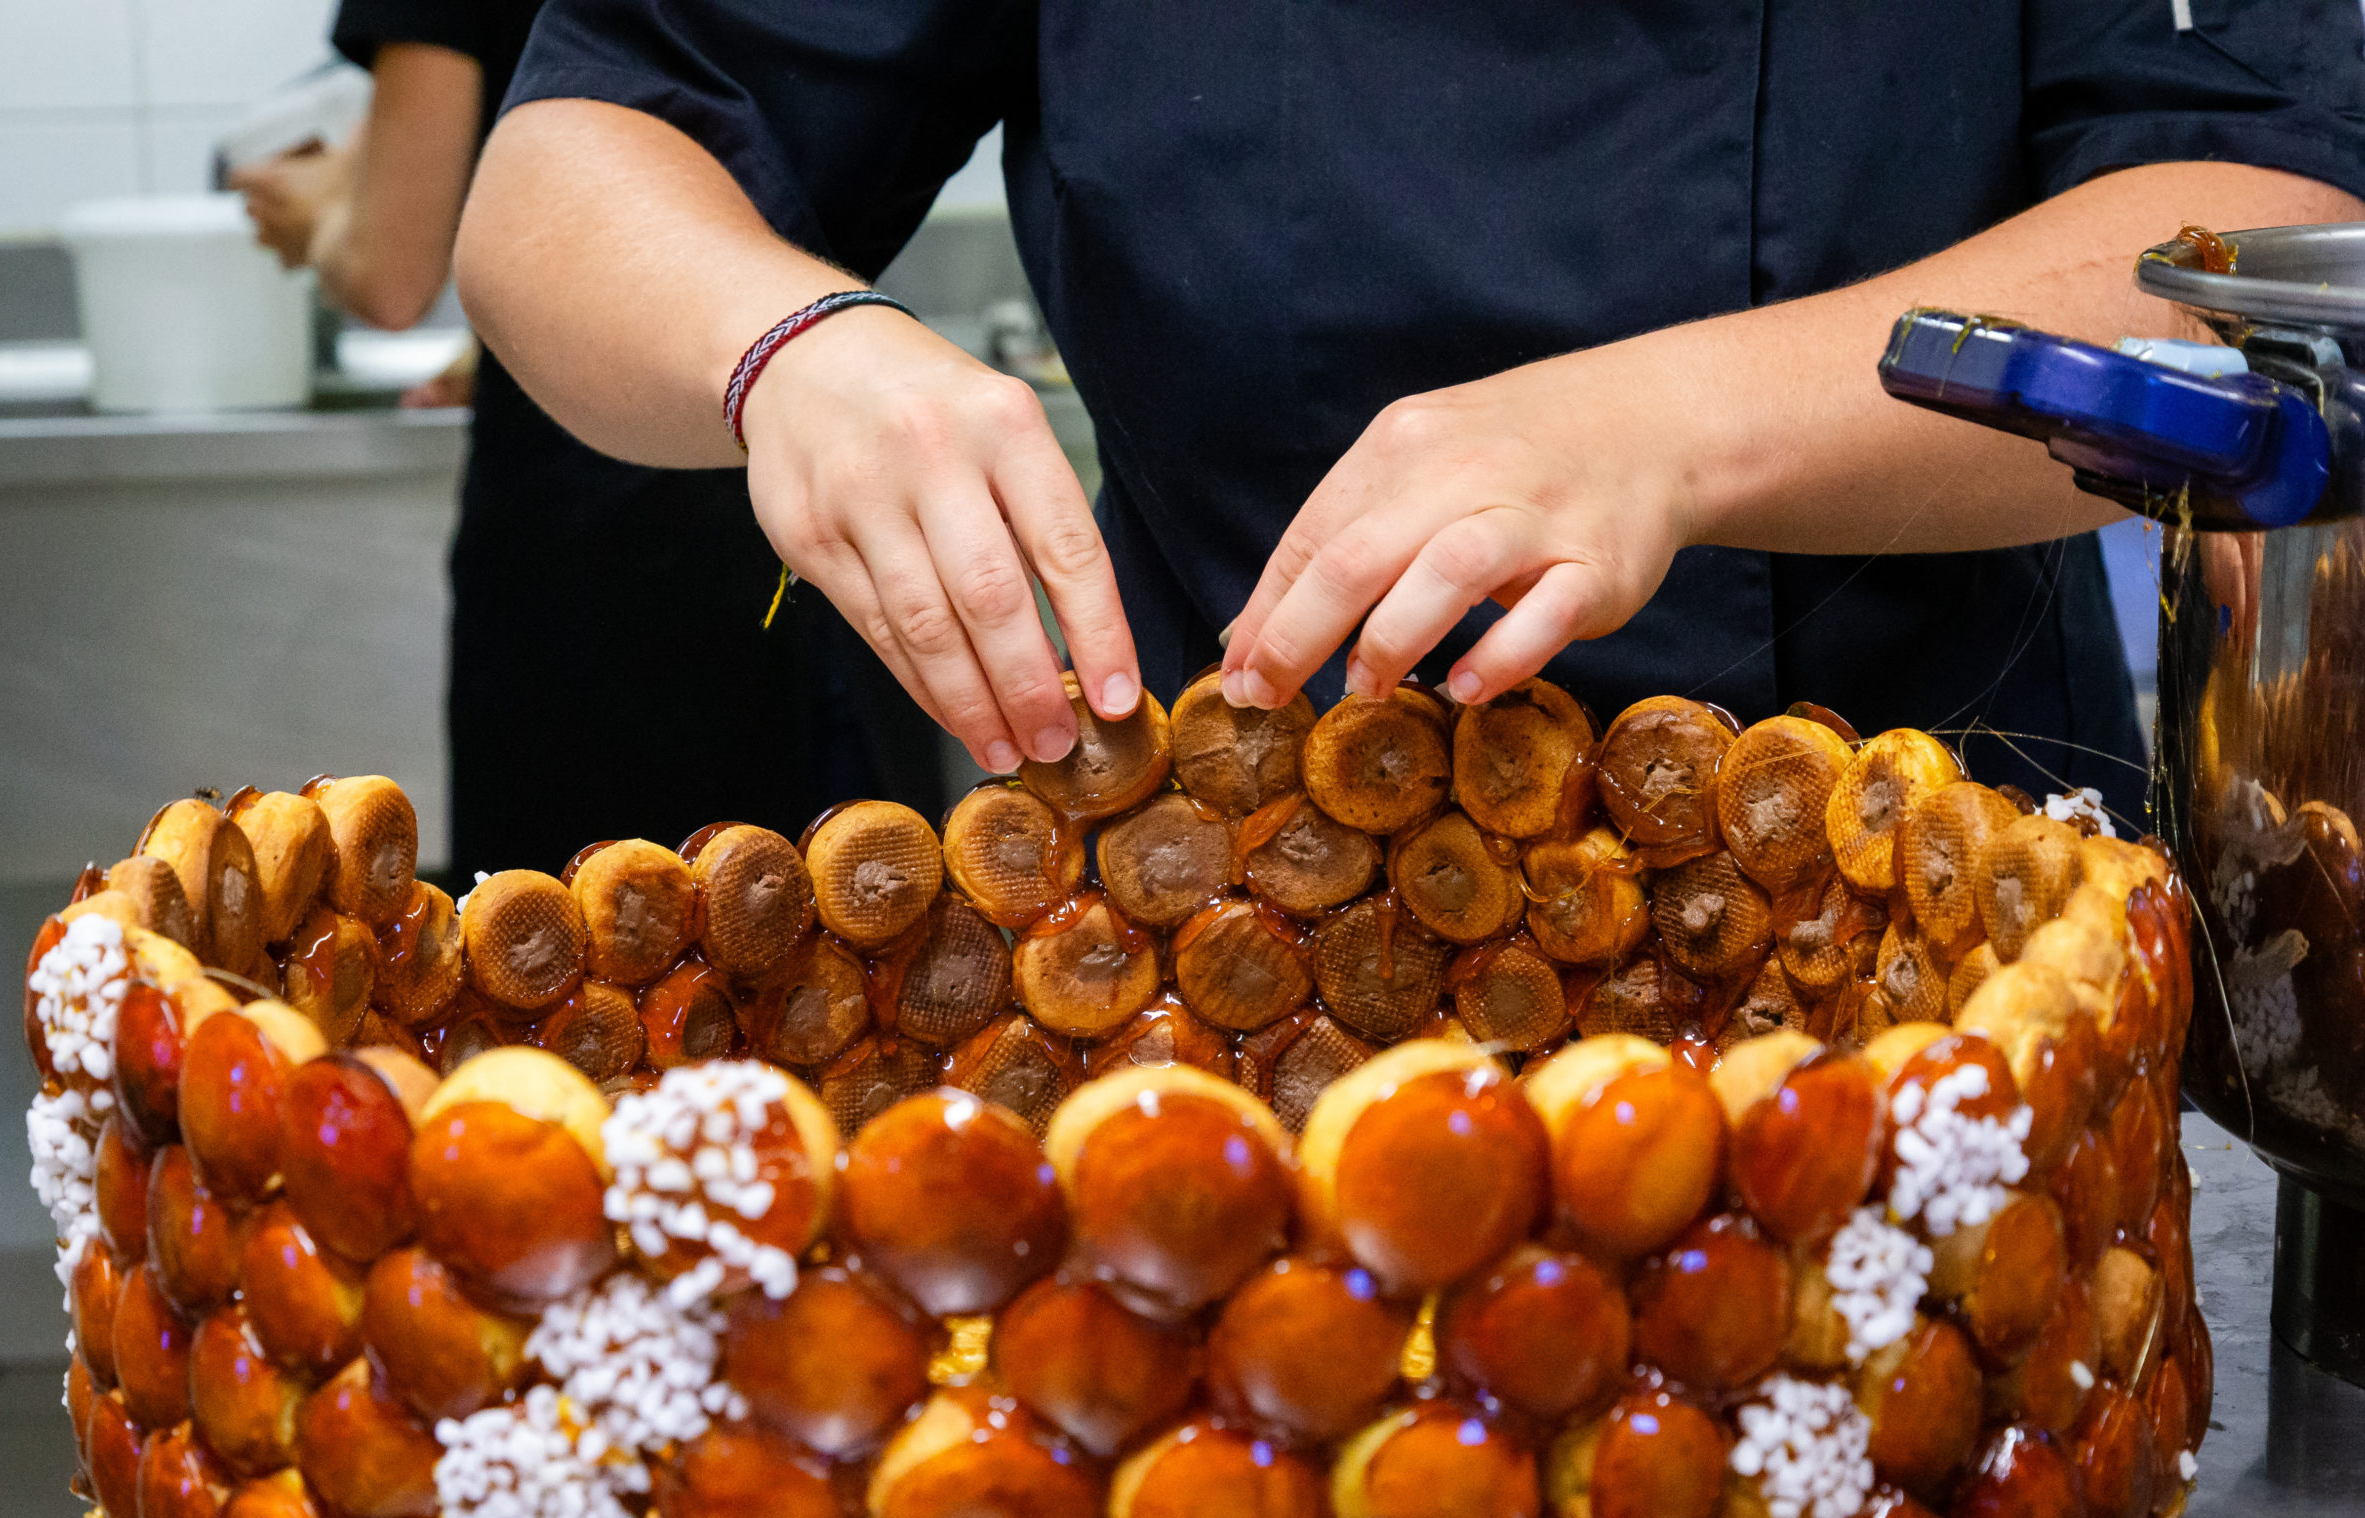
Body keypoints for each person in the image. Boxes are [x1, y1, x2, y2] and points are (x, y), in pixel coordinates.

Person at [452, 1, 2365, 826]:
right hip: (1231, 901)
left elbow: (2274, 238)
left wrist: (1680, 423)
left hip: (1925, 864)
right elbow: (563, 173)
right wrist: (791, 344)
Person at [227, 1, 942, 880]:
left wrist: (319, 215)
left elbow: (392, 266)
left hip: (603, 559)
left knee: (573, 968)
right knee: (843, 945)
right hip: (833, 488)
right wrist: (522, 327)